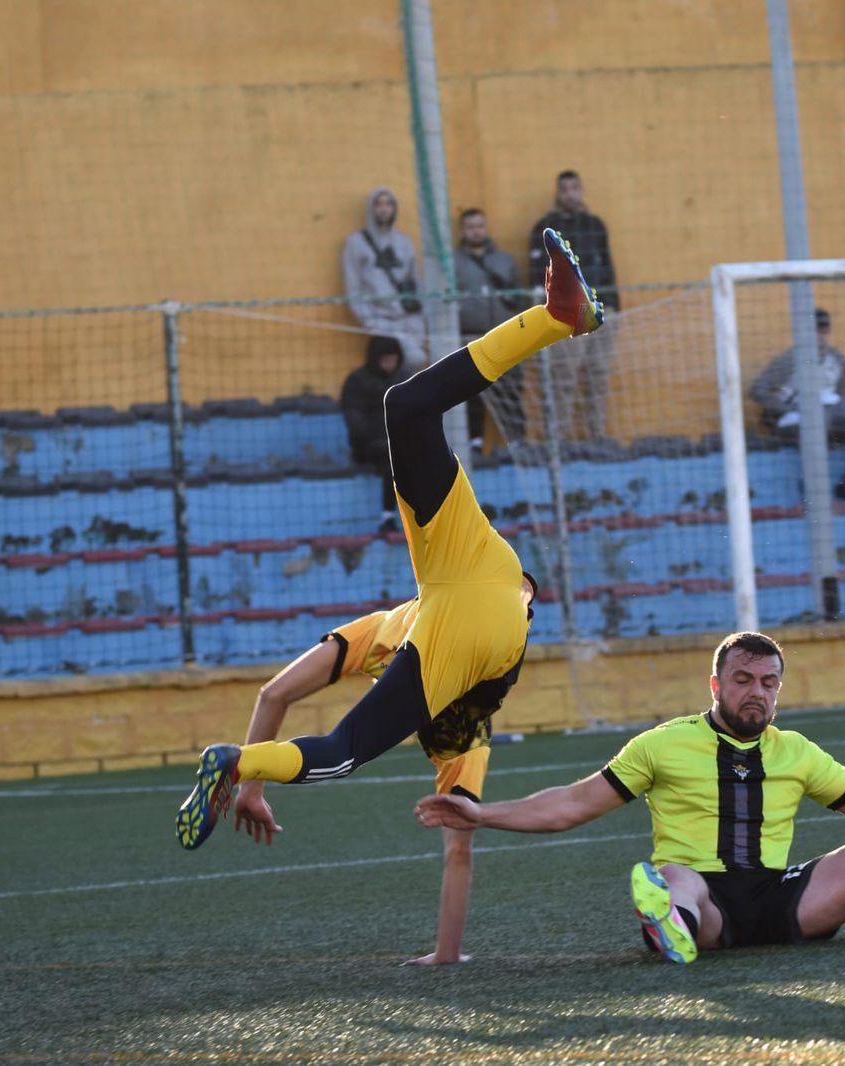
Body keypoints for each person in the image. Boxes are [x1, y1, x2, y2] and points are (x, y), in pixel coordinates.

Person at [175, 228, 603, 871]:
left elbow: (277, 697)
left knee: (405, 406)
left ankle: (556, 319)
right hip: (475, 599)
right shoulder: (459, 724)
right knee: (344, 748)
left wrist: (253, 778)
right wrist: (251, 776)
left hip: (476, 577)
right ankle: (558, 317)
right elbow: (458, 841)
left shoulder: (407, 649)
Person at [416, 631, 845, 964]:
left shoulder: (795, 749)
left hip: (782, 902)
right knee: (671, 875)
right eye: (743, 680)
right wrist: (483, 813)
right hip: (709, 904)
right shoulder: (662, 745)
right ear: (715, 683)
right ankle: (674, 928)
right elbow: (572, 805)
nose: (757, 693)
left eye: (769, 683)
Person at [222, 593, 531, 965]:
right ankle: (239, 760)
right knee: (342, 753)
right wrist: (446, 954)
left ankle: (242, 761)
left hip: (410, 622)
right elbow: (458, 849)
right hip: (466, 634)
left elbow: (273, 694)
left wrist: (251, 791)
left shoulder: (387, 626)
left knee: (335, 745)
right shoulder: (465, 739)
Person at [527, 171, 619, 442]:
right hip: (567, 311)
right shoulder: (545, 227)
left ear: (581, 190)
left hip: (602, 309)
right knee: (563, 378)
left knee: (598, 375)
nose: (569, 193)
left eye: (574, 188)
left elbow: (608, 266)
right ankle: (560, 441)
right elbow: (536, 272)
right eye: (564, 189)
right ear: (558, 193)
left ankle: (596, 436)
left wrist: (613, 306)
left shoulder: (595, 224)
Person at [748, 308, 845, 501]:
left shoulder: (837, 359)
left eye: (823, 331)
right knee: (817, 419)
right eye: (815, 331)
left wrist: (835, 408)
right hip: (795, 421)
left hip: (830, 416)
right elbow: (757, 390)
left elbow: (844, 393)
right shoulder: (789, 360)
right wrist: (787, 408)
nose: (820, 336)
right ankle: (812, 481)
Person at [453, 208, 529, 450]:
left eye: (479, 225)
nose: (476, 231)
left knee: (510, 389)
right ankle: (474, 442)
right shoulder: (452, 262)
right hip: (470, 334)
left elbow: (520, 296)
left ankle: (517, 441)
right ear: (463, 230)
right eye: (470, 226)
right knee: (470, 390)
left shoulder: (504, 260)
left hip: (504, 334)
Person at [342, 187, 428, 369]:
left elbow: (416, 281)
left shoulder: (404, 242)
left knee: (416, 363)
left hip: (409, 320)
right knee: (387, 370)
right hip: (380, 320)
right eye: (378, 203)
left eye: (388, 203)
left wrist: (420, 317)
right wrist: (368, 320)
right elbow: (353, 285)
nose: (383, 208)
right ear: (371, 208)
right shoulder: (356, 243)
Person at [341, 334, 411, 532]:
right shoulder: (357, 381)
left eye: (393, 360)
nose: (390, 364)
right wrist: (368, 436)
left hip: (400, 441)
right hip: (368, 446)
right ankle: (387, 517)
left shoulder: (405, 379)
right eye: (385, 360)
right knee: (394, 457)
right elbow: (353, 415)